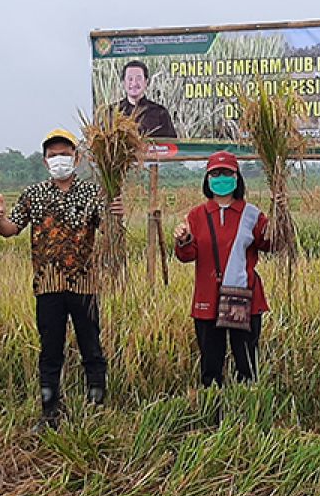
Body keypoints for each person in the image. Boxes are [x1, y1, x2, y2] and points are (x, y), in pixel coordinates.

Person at [0, 128, 124, 429]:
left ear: (77, 158)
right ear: (44, 161)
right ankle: (49, 411)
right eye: (53, 155)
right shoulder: (33, 194)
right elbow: (11, 229)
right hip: (47, 284)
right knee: (51, 349)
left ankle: (96, 407)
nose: (59, 159)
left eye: (65, 154)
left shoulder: (94, 193)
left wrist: (117, 215)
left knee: (91, 346)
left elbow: (109, 232)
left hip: (85, 282)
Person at [172, 151, 279, 387]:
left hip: (241, 296)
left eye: (227, 173)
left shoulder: (252, 214)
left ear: (237, 177)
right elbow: (187, 255)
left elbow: (271, 244)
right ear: (208, 179)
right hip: (208, 298)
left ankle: (246, 412)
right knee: (211, 364)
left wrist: (279, 219)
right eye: (216, 174)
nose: (221, 178)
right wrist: (183, 239)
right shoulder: (197, 215)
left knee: (246, 363)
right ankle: (213, 410)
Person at [115, 60, 177, 138]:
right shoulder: (113, 112)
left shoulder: (160, 113)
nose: (134, 83)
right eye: (130, 79)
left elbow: (171, 145)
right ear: (123, 82)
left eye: (138, 78)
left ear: (146, 82)